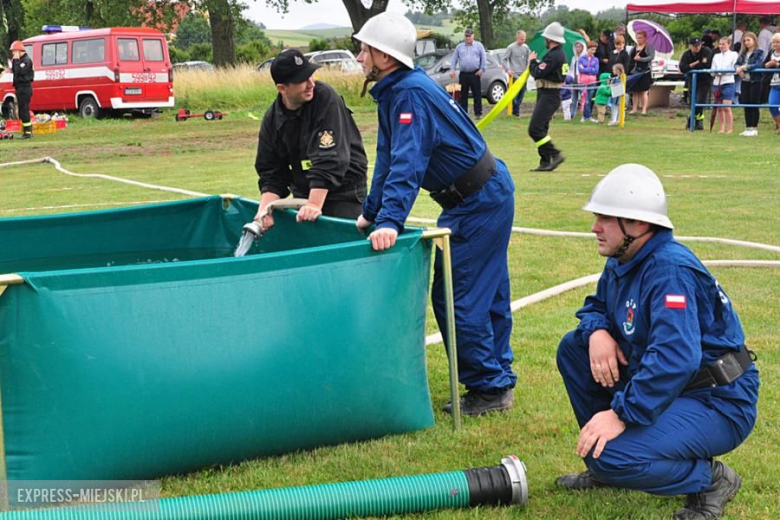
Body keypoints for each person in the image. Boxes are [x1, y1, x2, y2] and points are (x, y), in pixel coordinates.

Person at [556, 164, 759, 520]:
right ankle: (612, 459)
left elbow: (675, 357)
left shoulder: (669, 271)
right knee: (574, 348)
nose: (595, 227)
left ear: (637, 225)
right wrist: (597, 332)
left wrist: (621, 414)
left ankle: (710, 480)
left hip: (718, 400)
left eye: (605, 217)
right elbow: (596, 307)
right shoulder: (626, 257)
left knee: (610, 457)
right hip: (680, 389)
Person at [353, 12, 517, 416]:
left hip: (478, 201)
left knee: (458, 296)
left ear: (385, 57)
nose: (359, 56)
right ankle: (497, 379)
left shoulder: (408, 93)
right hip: (477, 197)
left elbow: (408, 163)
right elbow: (387, 158)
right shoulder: (397, 90)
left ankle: (490, 388)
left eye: (365, 49)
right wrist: (372, 213)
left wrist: (390, 221)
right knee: (487, 290)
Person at [254, 49, 368, 229]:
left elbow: (329, 159)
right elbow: (271, 173)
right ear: (282, 88)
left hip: (343, 193)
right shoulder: (272, 120)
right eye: (302, 80)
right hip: (304, 194)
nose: (311, 83)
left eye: (311, 75)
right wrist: (263, 211)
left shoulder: (326, 99)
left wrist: (314, 205)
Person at [528, 22, 567, 172]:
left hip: (549, 95)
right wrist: (537, 64)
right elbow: (545, 70)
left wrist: (532, 61)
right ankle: (545, 161)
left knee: (535, 129)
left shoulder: (553, 55)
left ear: (550, 39)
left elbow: (537, 72)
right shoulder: (557, 54)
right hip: (547, 93)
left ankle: (555, 154)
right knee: (541, 129)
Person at [450, 28, 487, 119]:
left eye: (469, 36)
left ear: (473, 36)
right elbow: (454, 59)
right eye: (466, 36)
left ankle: (478, 113)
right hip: (463, 74)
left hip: (475, 73)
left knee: (477, 94)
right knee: (463, 95)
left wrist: (482, 70)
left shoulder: (479, 46)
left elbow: (484, 58)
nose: (468, 38)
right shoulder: (459, 47)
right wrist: (452, 70)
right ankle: (464, 113)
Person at [679, 36, 714, 130]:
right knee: (693, 102)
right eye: (695, 46)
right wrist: (694, 64)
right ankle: (698, 122)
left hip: (704, 80)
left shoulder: (706, 51)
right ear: (690, 46)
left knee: (700, 101)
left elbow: (706, 65)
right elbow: (682, 68)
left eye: (698, 45)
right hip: (692, 80)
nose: (697, 47)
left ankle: (691, 120)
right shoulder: (686, 54)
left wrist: (690, 66)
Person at [735, 32, 765, 136]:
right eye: (745, 41)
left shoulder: (759, 52)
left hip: (755, 81)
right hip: (745, 81)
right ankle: (748, 127)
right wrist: (738, 70)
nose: (746, 43)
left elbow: (758, 64)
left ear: (754, 40)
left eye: (748, 40)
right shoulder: (743, 53)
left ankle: (754, 128)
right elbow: (736, 64)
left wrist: (744, 67)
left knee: (754, 104)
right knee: (746, 103)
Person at [711, 37, 739, 134]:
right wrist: (716, 73)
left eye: (723, 44)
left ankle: (730, 128)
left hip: (728, 82)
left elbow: (734, 68)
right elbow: (712, 70)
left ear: (729, 44)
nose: (721, 46)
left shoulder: (734, 54)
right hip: (717, 83)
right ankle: (721, 128)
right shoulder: (716, 56)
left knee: (727, 106)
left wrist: (724, 72)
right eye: (720, 44)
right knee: (719, 107)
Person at [503, 30, 530, 117]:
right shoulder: (511, 47)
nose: (523, 41)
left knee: (521, 95)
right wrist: (508, 70)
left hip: (523, 75)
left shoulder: (526, 48)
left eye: (524, 39)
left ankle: (516, 111)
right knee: (514, 95)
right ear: (517, 38)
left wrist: (528, 68)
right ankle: (515, 111)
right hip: (514, 74)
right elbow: (504, 59)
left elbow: (529, 59)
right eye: (521, 39)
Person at [10, 41, 34, 140]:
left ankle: (28, 133)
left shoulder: (26, 61)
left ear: (19, 50)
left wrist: (16, 61)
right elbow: (14, 72)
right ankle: (26, 131)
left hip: (25, 88)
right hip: (20, 88)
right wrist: (15, 61)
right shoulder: (19, 61)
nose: (12, 54)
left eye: (14, 51)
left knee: (24, 110)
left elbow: (20, 72)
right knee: (21, 111)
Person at [629, 30, 655, 114]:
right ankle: (634, 108)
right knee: (635, 91)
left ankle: (644, 109)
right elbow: (630, 57)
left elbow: (651, 57)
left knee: (644, 91)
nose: (638, 39)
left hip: (644, 71)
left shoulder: (649, 47)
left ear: (644, 38)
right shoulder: (634, 48)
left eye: (640, 38)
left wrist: (641, 59)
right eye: (637, 38)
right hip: (634, 72)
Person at [578, 41, 600, 123]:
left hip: (592, 81)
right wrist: (591, 69)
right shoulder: (581, 58)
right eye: (591, 49)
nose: (593, 51)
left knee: (590, 99)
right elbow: (580, 69)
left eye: (594, 50)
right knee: (585, 99)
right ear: (587, 49)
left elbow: (596, 71)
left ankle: (586, 116)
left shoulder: (596, 59)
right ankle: (587, 116)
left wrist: (586, 69)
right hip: (583, 82)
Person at [568, 40, 588, 120]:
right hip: (574, 80)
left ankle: (584, 115)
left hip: (582, 80)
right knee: (574, 98)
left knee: (583, 98)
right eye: (576, 47)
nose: (577, 48)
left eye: (579, 47)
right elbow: (571, 68)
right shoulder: (574, 57)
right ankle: (572, 114)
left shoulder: (585, 57)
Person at [764, 33, 780, 133]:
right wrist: (768, 64)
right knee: (772, 105)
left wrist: (777, 64)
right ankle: (779, 125)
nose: (775, 44)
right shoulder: (771, 52)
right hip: (774, 83)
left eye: (778, 42)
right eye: (774, 42)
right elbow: (763, 64)